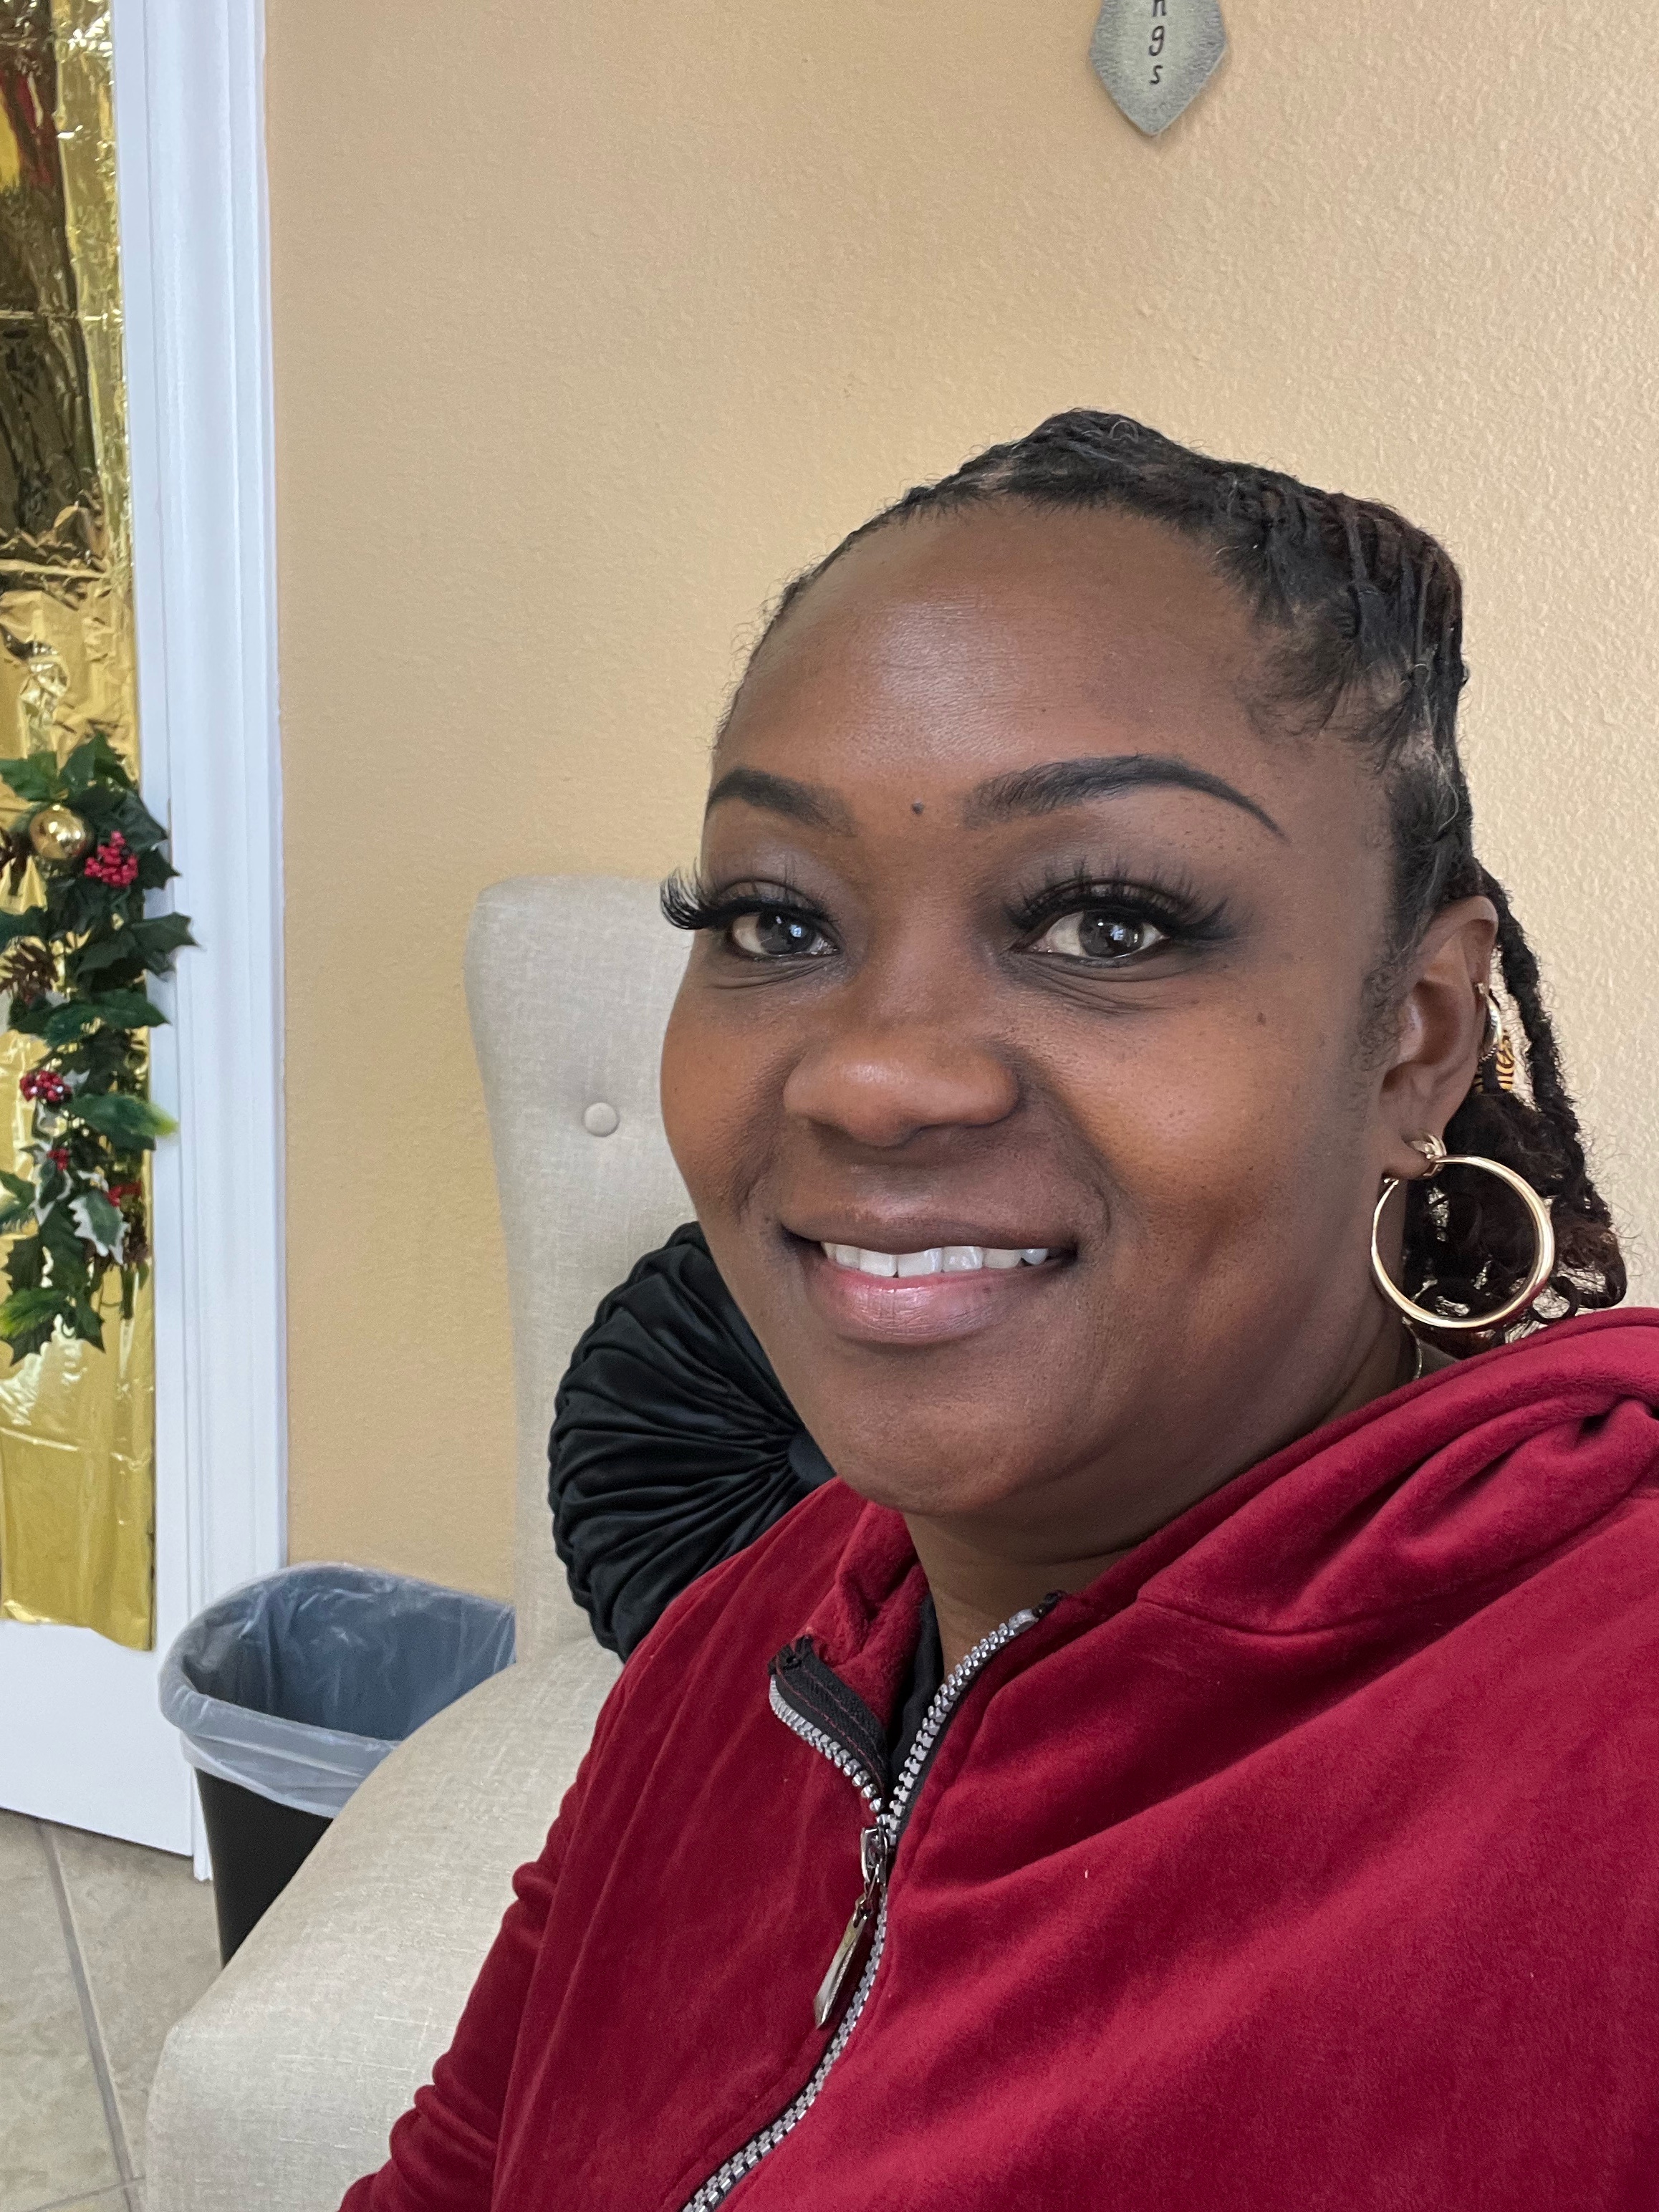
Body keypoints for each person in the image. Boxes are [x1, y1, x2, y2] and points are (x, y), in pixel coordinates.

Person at [342, 413, 1655, 2212]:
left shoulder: (1608, 1719)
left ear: (1417, 1033)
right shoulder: (740, 1647)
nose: (872, 1076)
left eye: (1108, 923)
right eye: (773, 918)